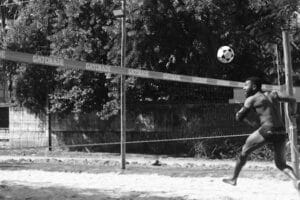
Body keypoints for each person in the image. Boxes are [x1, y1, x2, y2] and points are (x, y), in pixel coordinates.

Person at [222, 76, 299, 187]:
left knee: (244, 152)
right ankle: (296, 180)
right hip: (281, 131)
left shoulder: (251, 99)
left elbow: (239, 117)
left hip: (267, 129)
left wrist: (238, 113)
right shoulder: (274, 94)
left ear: (253, 87)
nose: (244, 88)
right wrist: (293, 113)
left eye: (245, 85)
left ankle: (234, 179)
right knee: (281, 164)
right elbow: (292, 99)